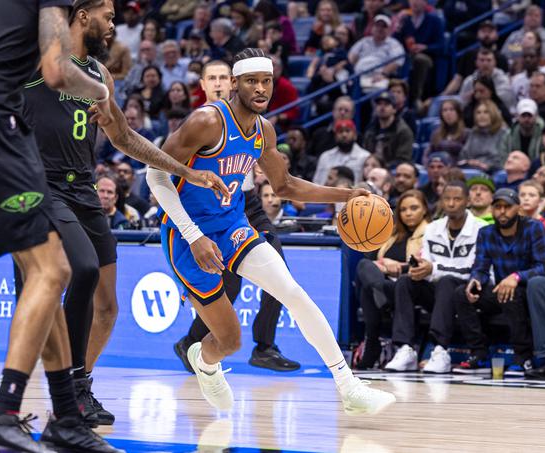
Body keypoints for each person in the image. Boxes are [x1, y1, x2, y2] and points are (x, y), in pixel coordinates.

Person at [0, 0, 226, 451]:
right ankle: (8, 412)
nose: (114, 21)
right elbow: (55, 69)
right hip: (14, 152)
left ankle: (66, 412)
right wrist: (98, 91)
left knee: (65, 277)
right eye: (107, 12)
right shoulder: (50, 31)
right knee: (62, 272)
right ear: (83, 14)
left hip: (3, 146)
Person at [148, 48, 396, 414]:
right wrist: (193, 235)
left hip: (232, 225)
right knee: (229, 340)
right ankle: (204, 360)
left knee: (293, 293)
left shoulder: (264, 130)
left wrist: (349, 194)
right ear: (234, 84)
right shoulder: (206, 121)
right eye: (252, 81)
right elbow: (156, 173)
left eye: (266, 81)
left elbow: (286, 186)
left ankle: (348, 386)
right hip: (188, 235)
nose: (261, 89)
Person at [173, 57, 301, 373]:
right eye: (211, 78)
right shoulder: (203, 122)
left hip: (244, 203)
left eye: (221, 76)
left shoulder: (251, 118)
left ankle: (265, 346)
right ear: (202, 85)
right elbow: (165, 178)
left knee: (278, 266)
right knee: (228, 288)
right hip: (205, 208)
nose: (217, 82)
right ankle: (191, 343)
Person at [384, 181, 485, 373]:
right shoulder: (433, 228)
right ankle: (405, 349)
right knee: (405, 281)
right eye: (447, 199)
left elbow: (472, 270)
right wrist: (420, 270)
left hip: (465, 292)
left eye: (457, 199)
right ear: (441, 202)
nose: (451, 203)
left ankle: (440, 350)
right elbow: (428, 265)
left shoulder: (481, 229)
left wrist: (433, 269)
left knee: (447, 281)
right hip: (437, 291)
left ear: (468, 201)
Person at [453, 188, 545, 375]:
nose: (502, 211)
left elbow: (543, 265)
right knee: (461, 293)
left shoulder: (533, 227)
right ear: (492, 209)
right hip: (502, 287)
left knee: (510, 293)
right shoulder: (486, 233)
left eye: (507, 207)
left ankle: (522, 358)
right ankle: (478, 354)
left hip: (528, 290)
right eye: (497, 207)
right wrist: (475, 281)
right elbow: (481, 266)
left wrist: (517, 276)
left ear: (518, 208)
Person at [354, 189, 429, 370]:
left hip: (412, 286)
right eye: (403, 210)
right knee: (364, 266)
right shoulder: (392, 234)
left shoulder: (430, 232)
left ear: (425, 209)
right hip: (387, 284)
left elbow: (426, 264)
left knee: (369, 286)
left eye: (414, 208)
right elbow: (375, 262)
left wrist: (397, 266)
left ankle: (372, 342)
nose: (408, 213)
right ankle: (380, 295)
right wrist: (383, 265)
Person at [362, 91, 414, 166]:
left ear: (394, 109)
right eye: (379, 104)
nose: (382, 107)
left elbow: (402, 160)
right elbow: (364, 155)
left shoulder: (403, 131)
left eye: (386, 104)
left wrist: (382, 168)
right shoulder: (370, 130)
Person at [312, 119, 369, 186]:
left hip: (354, 195)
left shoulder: (365, 157)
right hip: (327, 194)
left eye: (347, 131)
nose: (344, 135)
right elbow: (316, 182)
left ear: (355, 135)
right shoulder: (325, 156)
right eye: (340, 131)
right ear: (335, 136)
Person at [459, 100, 508, 173]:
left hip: (493, 171)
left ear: (493, 114)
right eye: (478, 112)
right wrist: (470, 162)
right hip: (473, 169)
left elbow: (502, 159)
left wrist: (484, 164)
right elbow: (463, 155)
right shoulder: (474, 133)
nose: (481, 116)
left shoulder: (503, 133)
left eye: (486, 112)